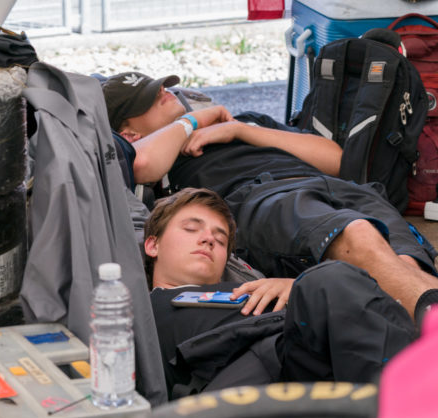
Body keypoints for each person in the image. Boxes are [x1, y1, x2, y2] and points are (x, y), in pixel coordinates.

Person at [102, 71, 438, 325]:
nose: (164, 91)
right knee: (359, 236)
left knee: (402, 266)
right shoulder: (163, 153)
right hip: (262, 197)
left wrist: (240, 130)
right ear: (130, 133)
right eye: (148, 98)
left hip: (335, 187)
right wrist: (192, 121)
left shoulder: (247, 122)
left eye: (160, 86)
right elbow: (141, 164)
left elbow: (335, 158)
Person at [145, 188, 417, 399]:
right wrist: (310, 286)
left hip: (309, 352)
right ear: (152, 245)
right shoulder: (137, 307)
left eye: (220, 239)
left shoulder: (247, 288)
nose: (208, 238)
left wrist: (295, 290)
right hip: (231, 381)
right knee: (330, 277)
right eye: (191, 229)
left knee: (341, 284)